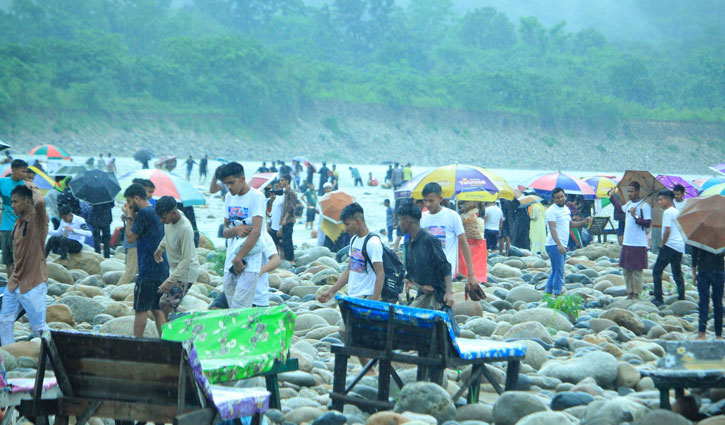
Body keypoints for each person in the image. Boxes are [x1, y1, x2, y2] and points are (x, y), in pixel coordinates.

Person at [0, 184, 49, 345]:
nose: (12, 205)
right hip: (14, 282)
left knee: (38, 327)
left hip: (33, 282)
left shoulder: (38, 220)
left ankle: (50, 358)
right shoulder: (18, 222)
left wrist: (33, 188)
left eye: (15, 202)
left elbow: (41, 203)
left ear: (27, 201)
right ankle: (9, 353)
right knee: (5, 320)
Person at [122, 183, 169, 337]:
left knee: (140, 308)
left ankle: (136, 343)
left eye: (129, 202)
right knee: (157, 308)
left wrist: (129, 218)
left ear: (136, 198)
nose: (129, 205)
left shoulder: (143, 213)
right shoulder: (155, 210)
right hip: (162, 268)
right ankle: (166, 341)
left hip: (148, 269)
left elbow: (130, 238)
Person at [220, 162, 265, 309]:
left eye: (232, 183)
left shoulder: (256, 197)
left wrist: (239, 257)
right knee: (231, 303)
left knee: (240, 307)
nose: (229, 187)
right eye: (226, 184)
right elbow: (225, 231)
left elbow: (256, 231)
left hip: (249, 261)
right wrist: (236, 230)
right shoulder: (228, 197)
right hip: (231, 260)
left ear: (243, 179)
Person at [317, 203, 384, 302]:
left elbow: (380, 273)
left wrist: (373, 303)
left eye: (347, 224)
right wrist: (331, 291)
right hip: (353, 297)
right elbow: (349, 270)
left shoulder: (372, 242)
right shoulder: (354, 240)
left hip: (366, 297)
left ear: (357, 221)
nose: (345, 228)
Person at [420, 183, 480, 290]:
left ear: (440, 199)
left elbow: (463, 243)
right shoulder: (422, 218)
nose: (427, 204)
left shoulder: (452, 216)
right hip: (426, 271)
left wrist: (471, 274)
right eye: (425, 200)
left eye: (431, 200)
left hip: (445, 272)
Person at [398, 201, 453, 310]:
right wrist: (413, 283)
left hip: (437, 297)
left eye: (400, 220)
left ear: (407, 221)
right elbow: (411, 273)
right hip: (422, 294)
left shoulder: (430, 241)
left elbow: (445, 267)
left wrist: (449, 293)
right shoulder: (408, 244)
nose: (398, 224)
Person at [153, 196, 200, 319]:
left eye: (163, 217)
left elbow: (187, 259)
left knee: (166, 303)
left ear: (174, 213)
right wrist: (160, 248)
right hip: (175, 268)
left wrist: (170, 281)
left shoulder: (185, 228)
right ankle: (180, 323)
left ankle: (173, 331)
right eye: (160, 217)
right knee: (169, 304)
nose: (162, 221)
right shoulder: (169, 220)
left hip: (186, 272)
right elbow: (168, 234)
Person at [544, 188, 592, 296]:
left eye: (562, 196)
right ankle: (557, 294)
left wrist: (584, 222)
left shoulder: (566, 209)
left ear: (565, 196)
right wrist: (559, 244)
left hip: (562, 244)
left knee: (556, 270)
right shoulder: (551, 211)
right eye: (558, 198)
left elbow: (570, 224)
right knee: (559, 271)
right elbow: (552, 229)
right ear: (553, 199)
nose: (561, 199)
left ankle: (548, 292)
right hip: (554, 245)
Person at [611, 181, 652, 300]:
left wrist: (635, 216)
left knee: (636, 270)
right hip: (627, 241)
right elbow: (620, 209)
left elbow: (647, 223)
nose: (629, 194)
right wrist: (612, 196)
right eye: (628, 191)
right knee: (627, 269)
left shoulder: (645, 205)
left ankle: (636, 293)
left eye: (632, 191)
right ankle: (629, 292)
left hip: (638, 242)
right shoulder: (629, 203)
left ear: (638, 191)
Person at [651, 190, 686, 306]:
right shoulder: (677, 211)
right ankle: (682, 295)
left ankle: (658, 297)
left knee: (657, 270)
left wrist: (662, 243)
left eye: (661, 199)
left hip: (669, 245)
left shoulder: (667, 212)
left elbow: (667, 230)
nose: (659, 202)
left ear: (667, 200)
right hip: (679, 245)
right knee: (677, 271)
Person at [0, 159, 28, 278]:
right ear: (14, 170)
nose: (25, 174)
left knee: (18, 258)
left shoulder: (25, 186)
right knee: (8, 260)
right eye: (22, 171)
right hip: (5, 227)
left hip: (20, 227)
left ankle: (18, 282)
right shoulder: (2, 182)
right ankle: (11, 284)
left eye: (26, 171)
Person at [693, 245, 724, 340]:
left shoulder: (700, 235)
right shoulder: (722, 235)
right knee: (718, 302)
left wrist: (694, 272)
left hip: (703, 270)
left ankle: (702, 332)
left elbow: (694, 254)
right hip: (719, 270)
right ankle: (718, 334)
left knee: (703, 302)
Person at [253, 231, 281, 307]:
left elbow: (276, 259)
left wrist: (261, 270)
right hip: (233, 290)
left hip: (257, 295)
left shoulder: (263, 236)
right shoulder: (233, 233)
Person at [278, 174, 297, 265]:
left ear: (287, 181)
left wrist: (285, 219)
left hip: (289, 220)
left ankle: (291, 259)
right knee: (285, 239)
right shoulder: (285, 192)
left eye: (282, 180)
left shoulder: (291, 193)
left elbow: (291, 207)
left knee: (288, 239)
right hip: (284, 220)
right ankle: (287, 257)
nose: (281, 182)